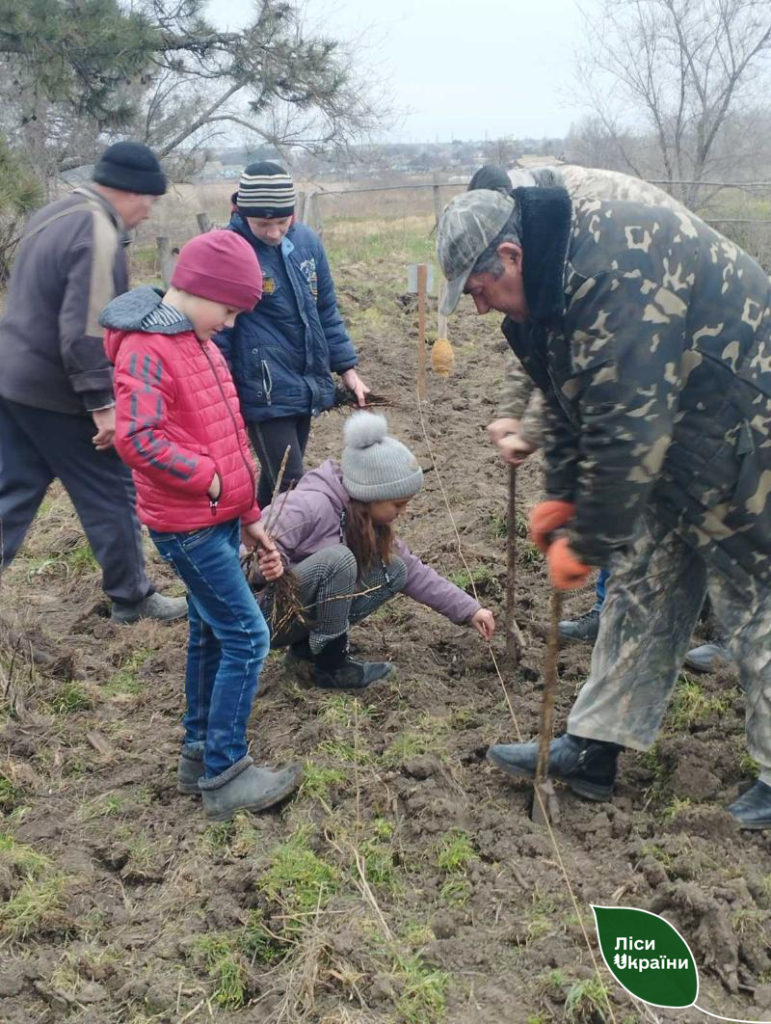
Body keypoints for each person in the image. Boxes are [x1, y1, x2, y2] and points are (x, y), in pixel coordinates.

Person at [437, 185, 771, 829]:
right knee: (644, 579)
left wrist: (586, 543)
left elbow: (627, 435)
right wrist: (563, 496)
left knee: (752, 594)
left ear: (509, 255)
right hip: (676, 420)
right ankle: (595, 746)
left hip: (743, 412)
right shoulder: (542, 277)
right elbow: (567, 392)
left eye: (478, 290)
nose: (478, 309)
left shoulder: (612, 277)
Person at [471, 163, 729, 667]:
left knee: (702, 490)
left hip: (697, 359)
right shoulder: (538, 248)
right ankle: (614, 605)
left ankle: (730, 631)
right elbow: (543, 349)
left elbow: (596, 373)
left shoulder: (586, 236)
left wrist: (534, 434)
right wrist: (510, 415)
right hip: (644, 356)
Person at [102, 229, 302, 821]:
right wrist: (208, 481)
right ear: (200, 289)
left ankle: (198, 756)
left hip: (216, 519)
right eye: (231, 309)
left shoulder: (202, 345)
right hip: (186, 524)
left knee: (212, 632)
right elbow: (136, 437)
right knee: (248, 636)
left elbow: (227, 436)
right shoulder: (146, 348)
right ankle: (226, 771)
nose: (233, 322)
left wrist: (248, 516)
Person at [0, 141, 186, 624]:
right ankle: (133, 597)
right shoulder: (98, 230)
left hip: (14, 381)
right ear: (130, 191)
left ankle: (131, 592)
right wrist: (104, 404)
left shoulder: (53, 214)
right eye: (149, 200)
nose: (147, 213)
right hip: (60, 395)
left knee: (11, 494)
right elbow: (88, 329)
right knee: (111, 489)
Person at [255, 411, 496, 689]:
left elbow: (415, 573)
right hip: (263, 617)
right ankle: (332, 666)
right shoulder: (311, 506)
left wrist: (470, 610)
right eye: (398, 504)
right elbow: (247, 549)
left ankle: (309, 655)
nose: (403, 512)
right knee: (339, 560)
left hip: (295, 613)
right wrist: (270, 564)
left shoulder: (365, 521)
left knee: (393, 570)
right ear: (371, 494)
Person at [215, 161, 371, 508]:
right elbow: (217, 334)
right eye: (262, 224)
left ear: (294, 213)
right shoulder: (229, 250)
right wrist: (222, 394)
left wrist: (347, 369)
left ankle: (255, 549)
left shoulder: (306, 243)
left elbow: (325, 309)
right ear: (239, 211)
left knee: (276, 478)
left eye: (281, 222)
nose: (273, 232)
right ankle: (289, 555)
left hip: (304, 381)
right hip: (262, 390)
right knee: (291, 483)